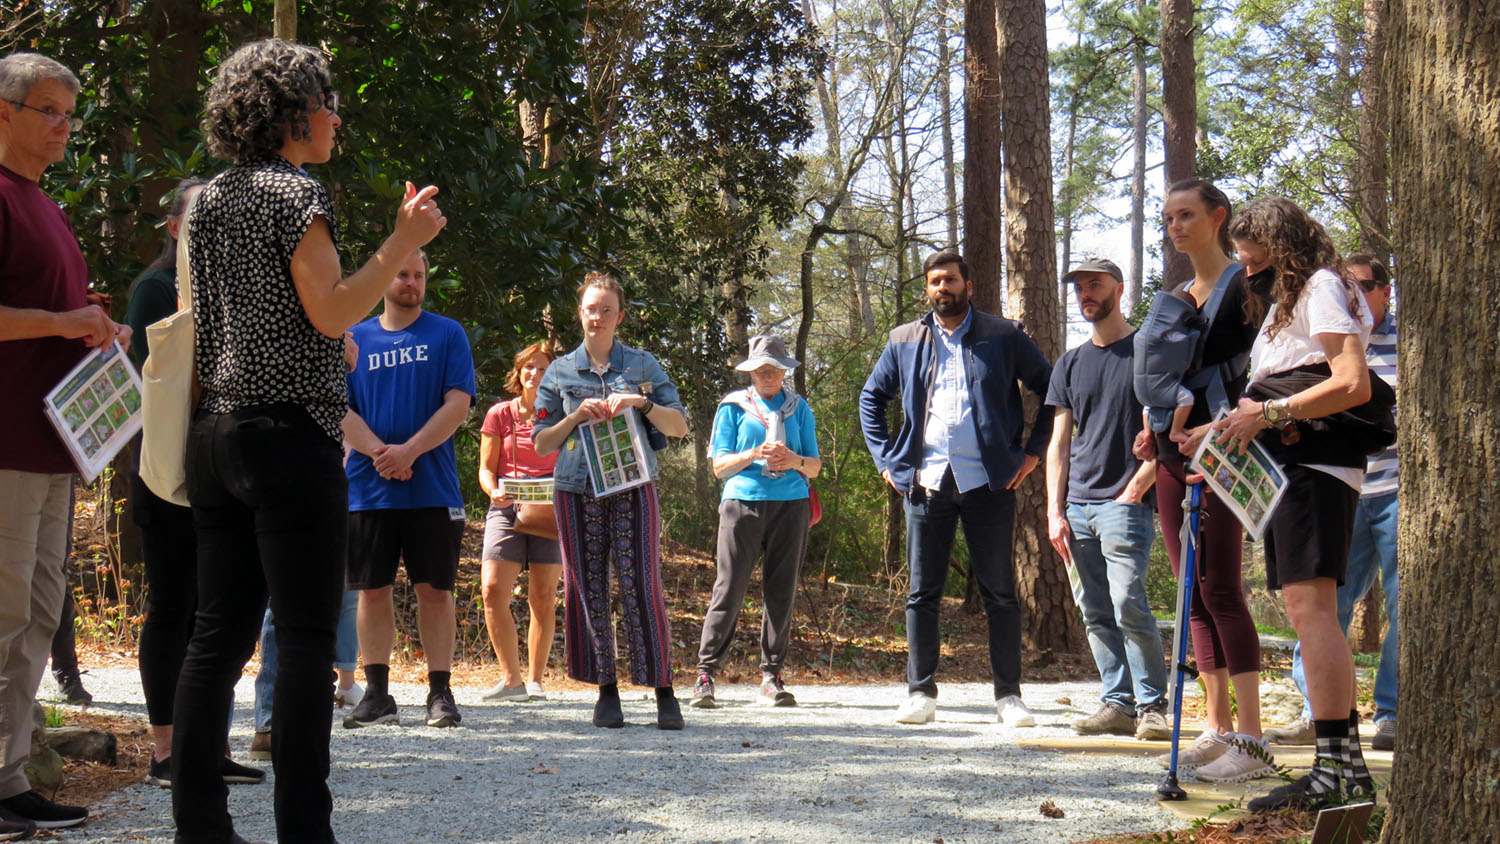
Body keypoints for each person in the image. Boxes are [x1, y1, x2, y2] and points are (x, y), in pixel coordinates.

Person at [173, 39, 444, 844]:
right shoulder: (295, 194)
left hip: (215, 435)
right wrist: (401, 243)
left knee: (215, 636)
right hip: (289, 438)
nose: (336, 119)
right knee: (298, 639)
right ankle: (305, 831)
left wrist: (328, 345)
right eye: (328, 103)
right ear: (294, 114)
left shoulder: (212, 198)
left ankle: (200, 827)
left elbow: (241, 323)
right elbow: (330, 310)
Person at [1, 50, 132, 835]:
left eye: (69, 114)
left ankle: (12, 779)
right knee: (5, 614)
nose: (63, 127)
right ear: (4, 112)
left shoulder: (44, 203)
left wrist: (95, 329)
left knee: (37, 615)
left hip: (58, 447)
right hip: (8, 444)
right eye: (49, 110)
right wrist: (59, 322)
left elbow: (56, 312)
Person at [1217, 197, 1381, 811]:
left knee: (1313, 608)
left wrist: (1271, 412)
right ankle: (1339, 767)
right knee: (1303, 606)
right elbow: (1284, 383)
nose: (1243, 263)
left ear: (1277, 244)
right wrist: (1222, 430)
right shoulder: (1291, 301)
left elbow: (1351, 381)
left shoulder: (1319, 287)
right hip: (1290, 467)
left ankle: (1337, 769)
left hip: (1315, 465)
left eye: (1250, 251)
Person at [858, 250, 1053, 727]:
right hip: (925, 484)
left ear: (969, 285)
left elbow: (1050, 387)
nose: (941, 288)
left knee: (1001, 593)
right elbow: (871, 397)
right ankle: (919, 692)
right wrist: (888, 461)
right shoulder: (904, 340)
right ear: (926, 289)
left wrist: (1032, 453)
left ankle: (1009, 696)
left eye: (950, 280)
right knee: (923, 593)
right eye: (933, 282)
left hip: (989, 482)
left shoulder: (1003, 336)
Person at [121, 176, 265, 789]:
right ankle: (166, 752)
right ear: (177, 229)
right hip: (164, 471)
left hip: (215, 471)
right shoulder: (155, 289)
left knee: (217, 613)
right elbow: (163, 380)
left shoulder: (226, 290)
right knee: (173, 608)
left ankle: (204, 743)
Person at [1137, 179, 1275, 784]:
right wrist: (1153, 432)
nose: (1176, 226)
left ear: (1218, 217)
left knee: (1220, 586)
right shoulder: (1174, 295)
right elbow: (1160, 379)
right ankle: (1217, 727)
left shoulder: (1249, 290)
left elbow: (1262, 375)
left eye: (1187, 215)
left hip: (1225, 453)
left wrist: (1216, 429)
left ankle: (1253, 738)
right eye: (1168, 218)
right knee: (1189, 588)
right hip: (1170, 455)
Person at [533, 271, 689, 730]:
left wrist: (639, 405)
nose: (597, 317)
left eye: (606, 310)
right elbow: (542, 442)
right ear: (579, 314)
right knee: (588, 585)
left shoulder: (642, 366)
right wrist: (575, 416)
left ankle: (664, 690)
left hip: (632, 485)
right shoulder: (560, 371)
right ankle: (607, 690)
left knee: (641, 579)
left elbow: (679, 425)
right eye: (589, 309)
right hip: (575, 488)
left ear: (619, 316)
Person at [1263, 254, 1399, 753]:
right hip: (1338, 485)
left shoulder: (1410, 339)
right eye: (1346, 286)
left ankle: (1389, 711)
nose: (1351, 295)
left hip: (1396, 490)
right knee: (1321, 607)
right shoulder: (1327, 331)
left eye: (1362, 286)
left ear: (1385, 290)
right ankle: (1318, 713)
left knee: (1403, 607)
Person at [340, 248, 476, 730]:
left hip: (432, 489)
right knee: (371, 592)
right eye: (402, 273)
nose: (411, 283)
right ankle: (377, 693)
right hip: (367, 490)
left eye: (419, 275)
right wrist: (382, 452)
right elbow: (338, 407)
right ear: (383, 279)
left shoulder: (447, 333)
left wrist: (410, 452)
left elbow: (458, 404)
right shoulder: (354, 337)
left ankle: (440, 693)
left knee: (434, 591)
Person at [1044, 258, 1170, 740]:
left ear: (1119, 288)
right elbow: (1059, 443)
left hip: (1125, 502)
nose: (1085, 294)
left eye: (1094, 285)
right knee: (1094, 609)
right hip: (1077, 507)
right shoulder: (1071, 362)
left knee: (1127, 601)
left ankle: (1151, 706)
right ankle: (1117, 703)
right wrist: (1055, 510)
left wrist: (1137, 486)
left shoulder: (1146, 351)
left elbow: (1170, 432)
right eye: (1079, 287)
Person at [692, 334, 822, 709]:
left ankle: (772, 675)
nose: (768, 375)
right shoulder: (733, 407)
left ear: (784, 372)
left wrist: (793, 459)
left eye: (775, 369)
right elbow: (718, 467)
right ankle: (706, 674)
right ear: (751, 372)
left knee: (781, 591)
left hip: (791, 504)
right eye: (762, 369)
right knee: (729, 588)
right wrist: (754, 453)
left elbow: (814, 466)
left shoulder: (800, 408)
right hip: (741, 504)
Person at [477, 341, 563, 703]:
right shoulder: (500, 414)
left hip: (549, 511)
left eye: (543, 368)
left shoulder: (562, 415)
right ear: (519, 372)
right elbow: (484, 468)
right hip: (506, 509)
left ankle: (535, 681)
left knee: (542, 597)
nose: (535, 374)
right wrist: (493, 491)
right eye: (529, 367)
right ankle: (510, 679)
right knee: (492, 589)